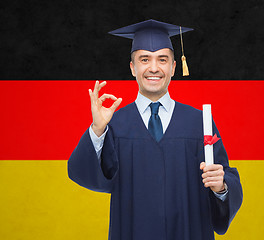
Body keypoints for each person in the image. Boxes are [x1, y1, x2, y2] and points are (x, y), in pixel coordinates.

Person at [68, 19, 243, 240]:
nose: (153, 68)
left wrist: (221, 187)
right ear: (132, 67)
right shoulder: (115, 124)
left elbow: (224, 176)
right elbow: (84, 174)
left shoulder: (199, 123)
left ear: (173, 67)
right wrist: (97, 129)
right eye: (144, 59)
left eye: (162, 59)